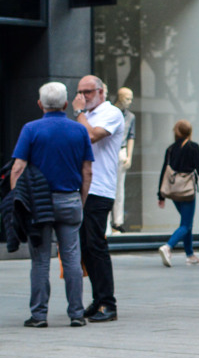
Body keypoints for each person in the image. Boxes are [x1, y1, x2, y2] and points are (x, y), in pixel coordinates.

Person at [10, 82, 94, 328]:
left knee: (40, 260)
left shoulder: (31, 129)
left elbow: (17, 167)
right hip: (70, 199)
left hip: (39, 205)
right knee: (71, 259)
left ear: (40, 104)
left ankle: (38, 316)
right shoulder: (79, 131)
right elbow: (87, 170)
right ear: (66, 105)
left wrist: (18, 202)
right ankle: (77, 314)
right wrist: (82, 200)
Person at [72, 75, 126, 323]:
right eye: (80, 92)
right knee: (86, 247)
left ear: (102, 92)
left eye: (89, 91)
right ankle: (98, 299)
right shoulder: (87, 115)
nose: (83, 96)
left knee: (96, 245)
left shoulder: (111, 112)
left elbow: (92, 136)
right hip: (82, 187)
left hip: (100, 188)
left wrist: (79, 113)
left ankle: (108, 303)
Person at [156, 120, 199, 267]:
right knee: (186, 224)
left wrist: (161, 196)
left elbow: (163, 172)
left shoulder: (171, 149)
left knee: (186, 223)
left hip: (173, 191)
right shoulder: (193, 147)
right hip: (186, 191)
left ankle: (190, 255)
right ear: (189, 132)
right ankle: (168, 247)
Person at [110, 86, 135, 234]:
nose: (130, 102)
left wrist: (129, 155)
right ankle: (107, 223)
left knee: (119, 188)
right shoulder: (111, 113)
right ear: (120, 98)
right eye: (127, 98)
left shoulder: (130, 117)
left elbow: (131, 136)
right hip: (109, 151)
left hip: (121, 150)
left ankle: (117, 222)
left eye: (131, 98)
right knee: (108, 187)